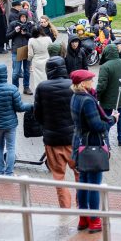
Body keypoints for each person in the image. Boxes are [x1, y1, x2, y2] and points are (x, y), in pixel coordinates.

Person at [70, 69, 115, 233]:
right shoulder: (88, 101)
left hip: (79, 143)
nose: (92, 81)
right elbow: (97, 125)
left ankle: (83, 217)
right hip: (91, 145)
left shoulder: (75, 96)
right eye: (90, 80)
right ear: (83, 83)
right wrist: (112, 121)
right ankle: (94, 220)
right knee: (94, 184)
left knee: (83, 182)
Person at [33, 56, 75, 207]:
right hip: (74, 140)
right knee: (81, 175)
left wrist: (46, 126)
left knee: (59, 177)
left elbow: (37, 114)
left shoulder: (42, 87)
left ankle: (65, 210)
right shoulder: (73, 85)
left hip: (52, 141)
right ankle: (84, 209)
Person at [0, 63, 32, 176]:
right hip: (10, 125)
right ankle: (9, 173)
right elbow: (20, 107)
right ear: (6, 74)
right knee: (11, 148)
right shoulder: (12, 89)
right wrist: (31, 106)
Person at [96, 44, 121, 145]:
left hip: (106, 101)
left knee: (105, 121)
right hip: (120, 99)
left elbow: (101, 85)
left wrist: (96, 97)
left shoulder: (105, 66)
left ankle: (105, 142)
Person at [7, 9, 33, 94]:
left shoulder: (30, 25)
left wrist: (26, 33)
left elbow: (33, 36)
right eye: (22, 17)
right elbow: (7, 36)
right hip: (16, 50)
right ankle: (15, 89)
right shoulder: (13, 24)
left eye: (25, 17)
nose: (24, 18)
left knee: (26, 71)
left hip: (27, 49)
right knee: (16, 72)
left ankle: (26, 87)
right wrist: (15, 31)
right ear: (19, 17)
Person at [27, 26, 52, 91]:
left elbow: (30, 54)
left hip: (36, 61)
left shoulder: (31, 40)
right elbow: (51, 49)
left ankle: (39, 93)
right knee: (47, 76)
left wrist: (29, 61)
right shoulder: (48, 39)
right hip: (47, 59)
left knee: (37, 79)